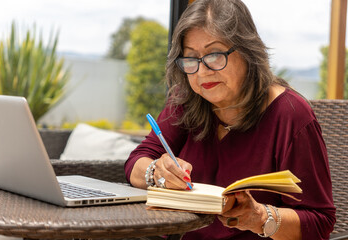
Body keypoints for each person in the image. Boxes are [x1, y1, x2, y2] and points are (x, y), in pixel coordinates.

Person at [124, 0, 336, 239]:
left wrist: (260, 217)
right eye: (191, 59)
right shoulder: (186, 100)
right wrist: (156, 171)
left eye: (214, 55)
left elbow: (320, 222)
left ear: (247, 52)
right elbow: (135, 163)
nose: (202, 72)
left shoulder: (291, 115)